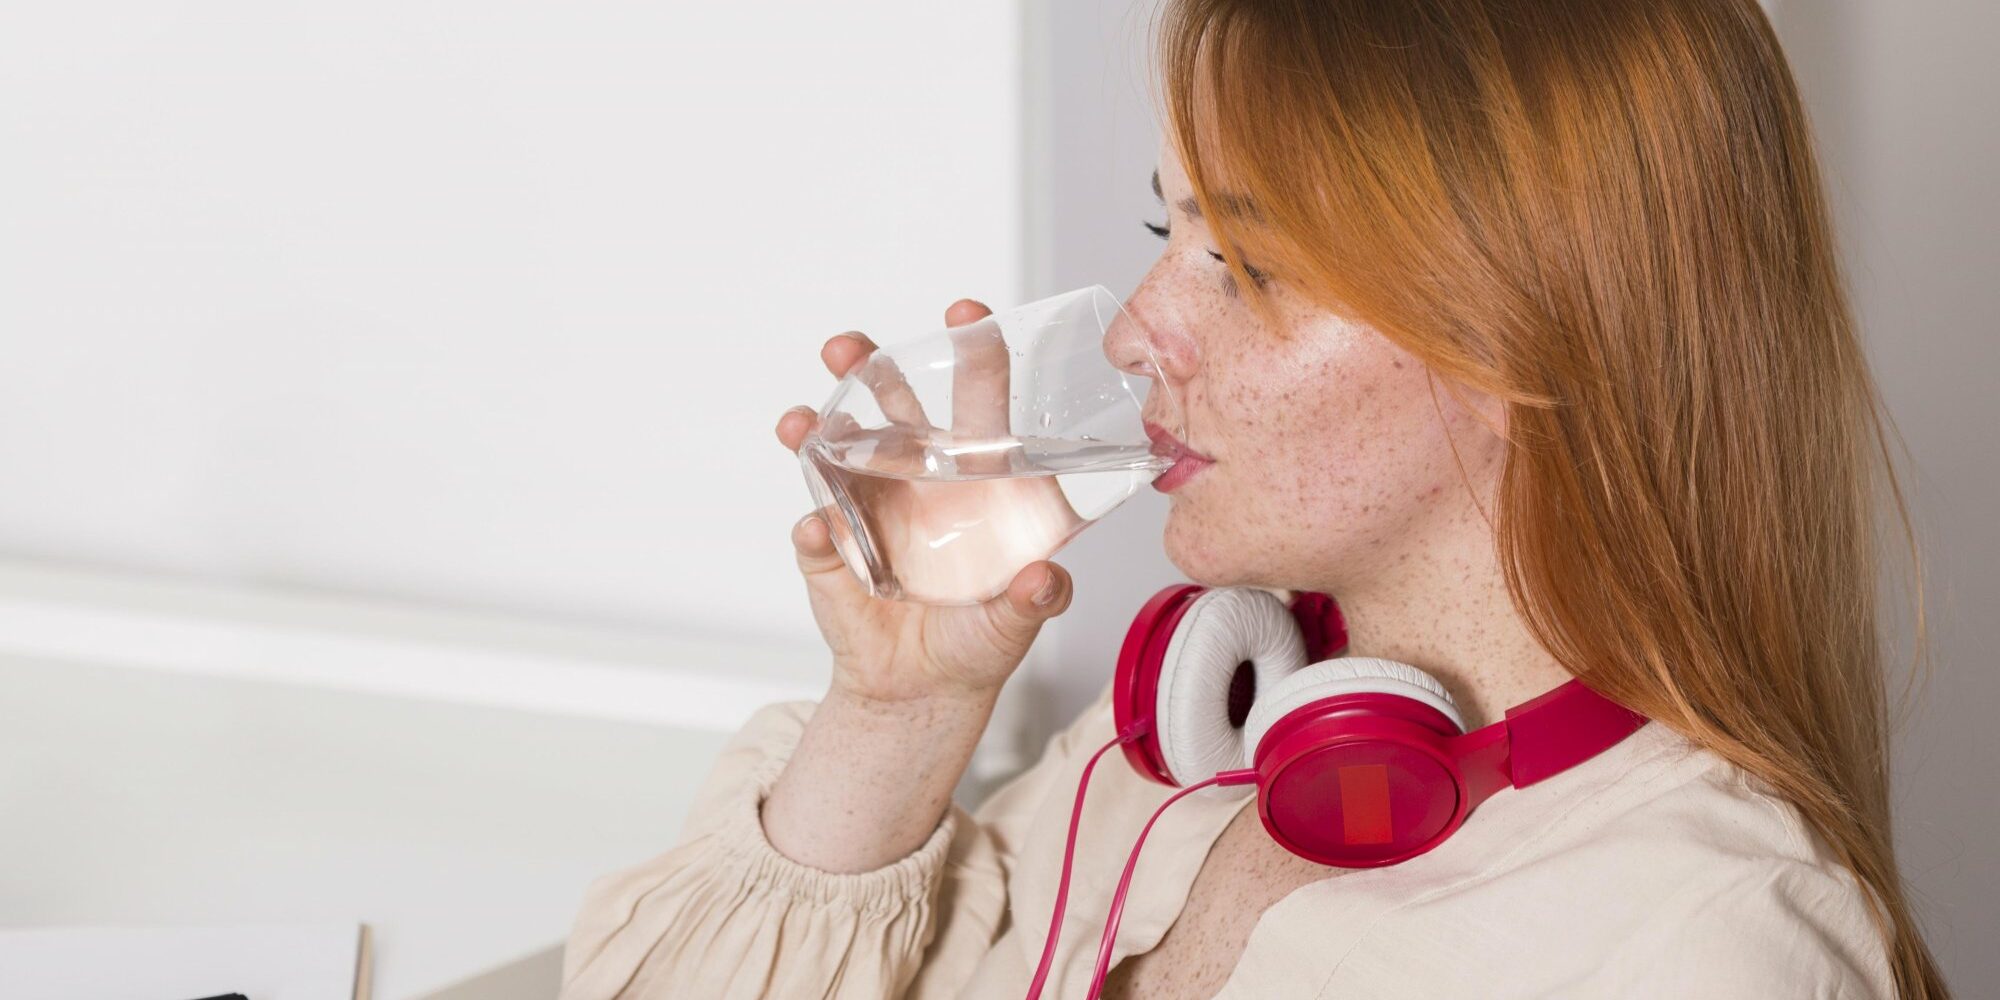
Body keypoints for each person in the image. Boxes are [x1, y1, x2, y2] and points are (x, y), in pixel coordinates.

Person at [560, 0, 1947, 997]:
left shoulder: (1702, 944)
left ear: (1527, 337)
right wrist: (898, 716)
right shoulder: (1166, 752)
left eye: (1251, 266)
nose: (1134, 333)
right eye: (1169, 230)